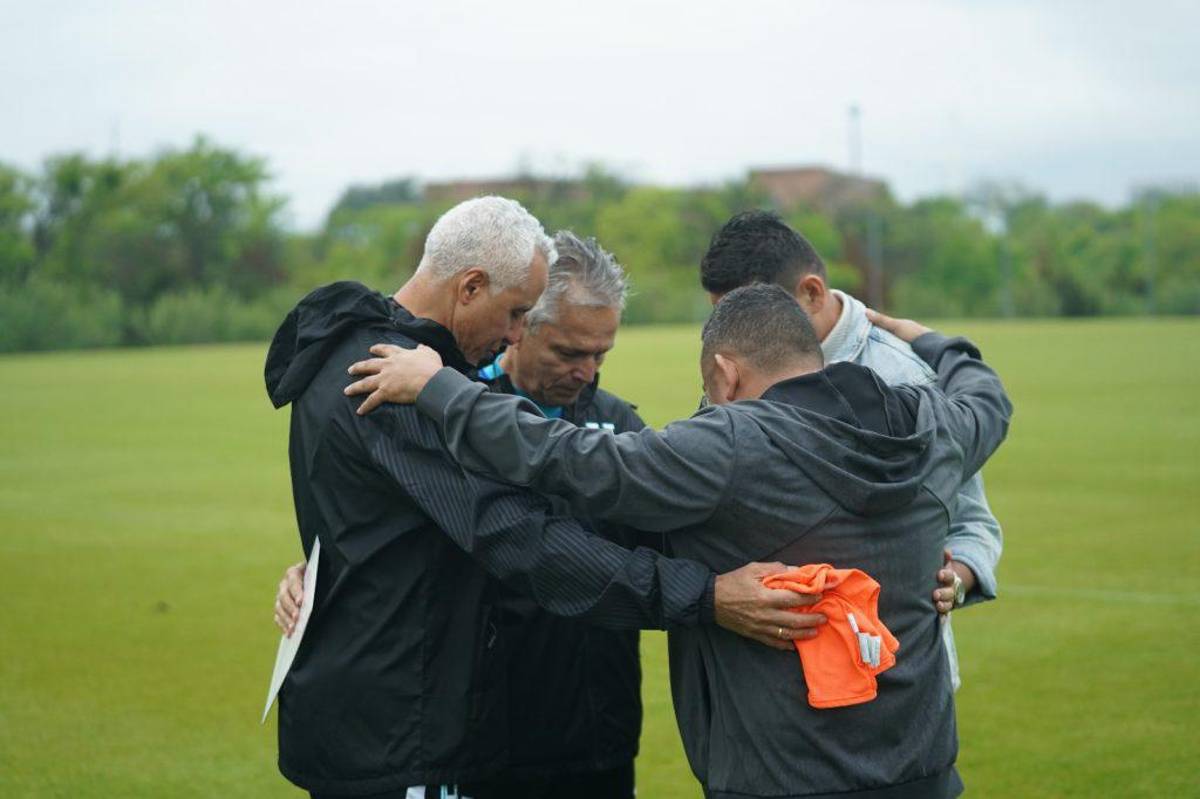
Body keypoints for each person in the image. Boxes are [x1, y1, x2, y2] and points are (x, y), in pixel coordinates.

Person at [341, 284, 1013, 797]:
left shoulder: (732, 443)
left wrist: (439, 389)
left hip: (781, 777)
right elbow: (988, 397)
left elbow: (569, 459)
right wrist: (932, 341)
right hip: (926, 772)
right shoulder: (932, 425)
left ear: (724, 374)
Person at [263, 197, 817, 799]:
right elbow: (519, 537)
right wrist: (705, 598)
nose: (514, 335)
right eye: (518, 312)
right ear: (470, 286)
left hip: (411, 723)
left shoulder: (367, 359)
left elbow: (381, 525)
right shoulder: (393, 382)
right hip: (402, 735)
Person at [700, 210, 1004, 686]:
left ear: (812, 292)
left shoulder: (903, 377)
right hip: (770, 673)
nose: (733, 333)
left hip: (894, 676)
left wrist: (961, 573)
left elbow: (970, 516)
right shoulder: (735, 359)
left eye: (754, 312)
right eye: (722, 317)